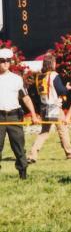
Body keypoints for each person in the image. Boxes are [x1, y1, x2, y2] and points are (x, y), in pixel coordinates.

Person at [27, 53, 71, 163]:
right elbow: (61, 91)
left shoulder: (39, 76)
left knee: (44, 132)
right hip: (54, 106)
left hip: (44, 106)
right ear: (53, 64)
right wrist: (67, 88)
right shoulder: (54, 75)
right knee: (62, 130)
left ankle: (32, 154)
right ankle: (70, 153)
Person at [0, 48, 40, 179]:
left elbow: (26, 98)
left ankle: (23, 173)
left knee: (18, 146)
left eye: (8, 61)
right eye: (2, 61)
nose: (5, 63)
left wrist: (33, 114)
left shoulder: (16, 79)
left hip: (14, 116)